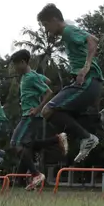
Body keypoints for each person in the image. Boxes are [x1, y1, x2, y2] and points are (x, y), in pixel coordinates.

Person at [37, 3, 104, 163]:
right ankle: (99, 119)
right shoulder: (67, 34)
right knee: (62, 114)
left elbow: (93, 40)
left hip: (88, 81)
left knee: (48, 110)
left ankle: (87, 138)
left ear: (54, 20)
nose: (46, 30)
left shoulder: (68, 31)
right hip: (88, 83)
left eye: (46, 25)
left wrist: (85, 68)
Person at [8, 49, 63, 190]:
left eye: (16, 65)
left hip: (30, 116)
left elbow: (49, 92)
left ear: (23, 62)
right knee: (28, 145)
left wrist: (37, 109)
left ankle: (35, 174)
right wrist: (40, 78)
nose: (15, 68)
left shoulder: (30, 77)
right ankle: (56, 140)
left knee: (16, 143)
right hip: (29, 116)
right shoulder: (31, 76)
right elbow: (48, 81)